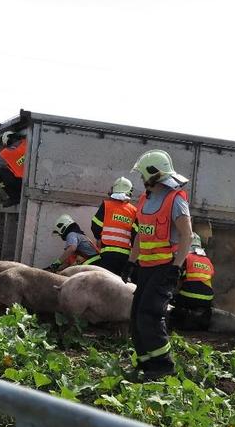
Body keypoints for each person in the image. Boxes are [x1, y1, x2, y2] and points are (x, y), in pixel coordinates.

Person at [128, 150, 193, 378]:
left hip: (165, 267)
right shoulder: (144, 199)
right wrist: (132, 263)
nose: (141, 179)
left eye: (142, 174)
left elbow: (187, 236)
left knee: (151, 315)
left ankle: (163, 368)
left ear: (152, 174)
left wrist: (176, 267)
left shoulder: (175, 199)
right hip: (145, 269)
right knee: (136, 317)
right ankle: (146, 362)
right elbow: (140, 235)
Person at [90, 177, 138, 277]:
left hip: (107, 253)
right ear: (129, 192)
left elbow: (96, 224)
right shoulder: (134, 211)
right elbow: (135, 234)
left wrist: (98, 238)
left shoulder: (106, 205)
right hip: (125, 256)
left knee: (106, 281)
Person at [168, 232, 215, 331]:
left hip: (188, 296)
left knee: (174, 302)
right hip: (207, 298)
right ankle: (203, 327)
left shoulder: (186, 257)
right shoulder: (208, 261)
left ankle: (176, 325)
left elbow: (179, 278)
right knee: (206, 309)